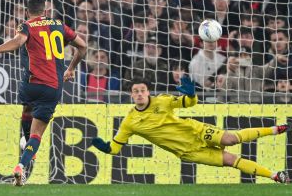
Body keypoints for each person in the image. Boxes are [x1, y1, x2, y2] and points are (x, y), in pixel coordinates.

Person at [0, 0, 87, 186]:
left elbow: (18, 42)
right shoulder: (58, 25)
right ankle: (22, 164)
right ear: (45, 11)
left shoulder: (26, 25)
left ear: (27, 12)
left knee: (27, 111)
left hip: (31, 84)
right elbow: (83, 46)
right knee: (37, 134)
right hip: (52, 86)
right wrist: (71, 68)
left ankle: (27, 147)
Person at [92, 78, 291, 184]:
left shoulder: (162, 100)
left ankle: (274, 130)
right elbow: (115, 148)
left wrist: (192, 94)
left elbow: (187, 103)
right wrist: (105, 147)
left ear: (148, 91)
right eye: (135, 91)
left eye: (142, 90)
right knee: (231, 161)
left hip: (195, 130)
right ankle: (275, 176)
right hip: (188, 152)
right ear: (131, 94)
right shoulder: (130, 121)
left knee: (231, 139)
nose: (139, 94)